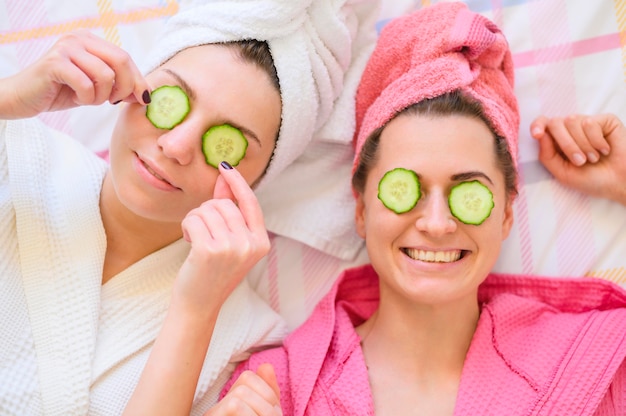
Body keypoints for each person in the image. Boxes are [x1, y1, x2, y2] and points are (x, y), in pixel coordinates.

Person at [217, 2, 626, 415]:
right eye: (403, 190)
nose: (436, 223)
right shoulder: (269, 389)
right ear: (361, 210)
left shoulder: (600, 357)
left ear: (505, 214)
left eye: (468, 193)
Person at [0, 0, 380, 414]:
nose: (176, 146)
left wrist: (196, 310)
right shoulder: (17, 152)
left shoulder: (245, 337)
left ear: (254, 183)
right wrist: (8, 98)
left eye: (224, 146)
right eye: (170, 99)